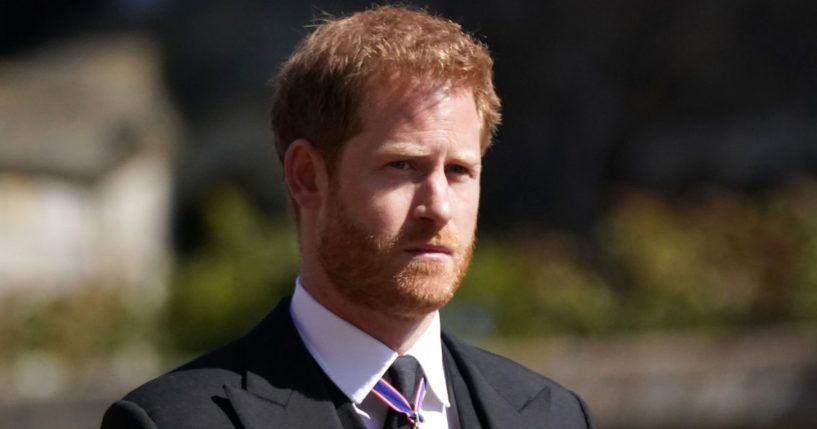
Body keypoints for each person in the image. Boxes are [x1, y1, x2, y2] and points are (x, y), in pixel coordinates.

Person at [101, 5, 594, 429]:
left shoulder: (552, 416)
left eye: (460, 171)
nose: (439, 206)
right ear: (307, 176)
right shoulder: (174, 422)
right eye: (402, 166)